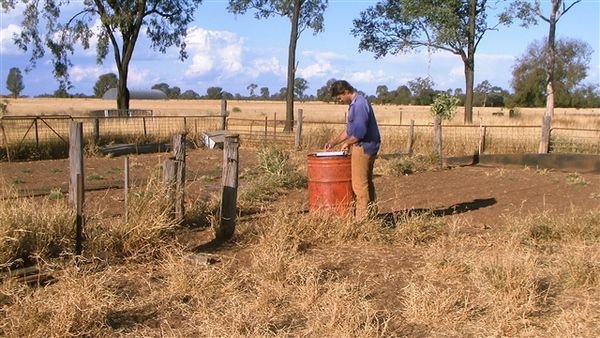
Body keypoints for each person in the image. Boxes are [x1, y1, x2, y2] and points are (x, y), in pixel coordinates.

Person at [325, 80, 381, 219]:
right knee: (366, 182)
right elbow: (349, 131)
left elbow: (359, 133)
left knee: (359, 185)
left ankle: (362, 220)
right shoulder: (355, 104)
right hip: (364, 145)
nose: (339, 100)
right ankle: (371, 215)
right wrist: (333, 142)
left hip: (363, 147)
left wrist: (348, 144)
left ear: (345, 92)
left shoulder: (360, 105)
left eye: (339, 97)